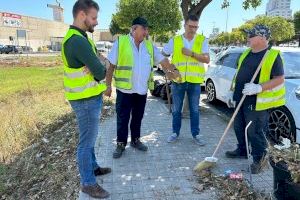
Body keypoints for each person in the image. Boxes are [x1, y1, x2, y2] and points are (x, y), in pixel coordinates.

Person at [105, 17, 180, 159]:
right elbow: (110, 65)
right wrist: (108, 85)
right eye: (144, 28)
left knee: (137, 117)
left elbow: (163, 61)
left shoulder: (149, 46)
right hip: (124, 90)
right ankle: (121, 143)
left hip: (141, 91)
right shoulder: (121, 42)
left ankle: (135, 140)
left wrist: (173, 70)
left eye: (147, 29)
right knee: (123, 118)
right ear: (134, 29)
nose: (147, 31)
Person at [62, 0, 111, 198]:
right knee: (86, 143)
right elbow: (100, 71)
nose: (96, 22)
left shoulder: (83, 37)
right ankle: (88, 183)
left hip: (88, 97)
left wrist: (100, 64)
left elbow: (101, 61)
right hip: (85, 100)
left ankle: (93, 168)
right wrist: (101, 66)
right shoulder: (77, 40)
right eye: (94, 17)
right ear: (82, 15)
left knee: (89, 140)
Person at [225, 24, 285, 174]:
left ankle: (260, 160)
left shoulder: (272, 55)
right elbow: (239, 74)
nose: (247, 38)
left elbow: (279, 79)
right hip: (240, 98)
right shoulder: (246, 53)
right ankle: (242, 150)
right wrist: (231, 92)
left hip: (257, 102)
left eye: (251, 35)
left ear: (263, 37)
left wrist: (258, 88)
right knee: (239, 127)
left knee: (255, 132)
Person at [163, 14, 210, 145]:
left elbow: (207, 59)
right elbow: (162, 56)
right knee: (176, 109)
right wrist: (169, 69)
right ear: (184, 25)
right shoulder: (175, 40)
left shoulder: (202, 40)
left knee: (195, 110)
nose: (193, 29)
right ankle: (175, 133)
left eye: (195, 27)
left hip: (194, 82)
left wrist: (192, 54)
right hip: (178, 81)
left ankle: (196, 134)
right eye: (190, 26)